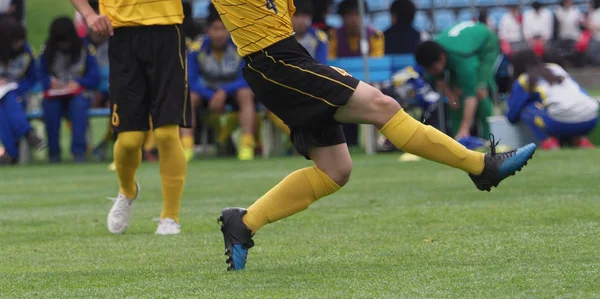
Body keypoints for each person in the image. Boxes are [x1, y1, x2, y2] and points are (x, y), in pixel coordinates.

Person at [212, 0, 536, 271]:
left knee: (335, 170)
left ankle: (244, 223)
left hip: (286, 58)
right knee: (383, 106)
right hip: (275, 62)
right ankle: (482, 166)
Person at [69, 0, 191, 235]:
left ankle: (170, 217)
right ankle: (127, 190)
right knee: (129, 140)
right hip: (123, 36)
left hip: (168, 31)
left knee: (166, 133)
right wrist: (89, 14)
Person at [185, 12, 256, 161]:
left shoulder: (240, 45)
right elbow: (191, 79)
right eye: (215, 29)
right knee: (189, 97)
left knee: (246, 93)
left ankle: (247, 145)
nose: (219, 34)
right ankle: (186, 146)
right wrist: (212, 95)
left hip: (232, 90)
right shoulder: (196, 48)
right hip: (207, 92)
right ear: (208, 30)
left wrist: (224, 91)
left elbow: (248, 77)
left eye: (223, 29)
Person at [415, 21, 498, 140]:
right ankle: (457, 138)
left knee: (480, 91)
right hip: (462, 48)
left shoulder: (463, 62)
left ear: (442, 58)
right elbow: (438, 80)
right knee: (456, 98)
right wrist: (450, 94)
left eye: (434, 68)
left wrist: (465, 127)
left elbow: (471, 96)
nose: (432, 72)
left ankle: (489, 137)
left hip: (485, 46)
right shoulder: (430, 56)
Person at [506, 49, 597, 149]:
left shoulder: (524, 79)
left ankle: (549, 142)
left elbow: (512, 115)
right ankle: (580, 140)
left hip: (560, 123)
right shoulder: (555, 68)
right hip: (591, 118)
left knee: (528, 108)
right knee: (563, 104)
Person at [39, 16, 99, 163]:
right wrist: (50, 83)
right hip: (55, 94)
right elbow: (39, 75)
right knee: (51, 109)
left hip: (79, 93)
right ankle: (54, 153)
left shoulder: (84, 50)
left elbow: (94, 77)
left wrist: (78, 82)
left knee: (78, 106)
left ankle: (79, 152)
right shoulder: (47, 51)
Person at [0, 16, 44, 165]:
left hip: (16, 95)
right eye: (15, 41)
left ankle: (10, 154)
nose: (19, 43)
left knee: (8, 102)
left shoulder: (26, 51)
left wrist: (18, 88)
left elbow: (34, 78)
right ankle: (28, 133)